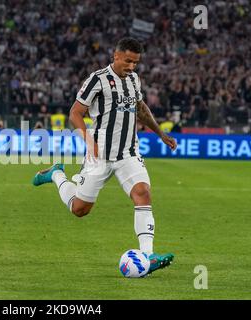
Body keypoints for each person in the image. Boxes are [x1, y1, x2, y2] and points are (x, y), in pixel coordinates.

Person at [32, 38, 177, 275]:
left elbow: (141, 109)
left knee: (142, 192)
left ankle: (148, 255)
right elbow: (75, 113)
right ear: (116, 56)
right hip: (99, 155)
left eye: (136, 62)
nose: (131, 66)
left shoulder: (134, 80)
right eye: (128, 61)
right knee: (80, 209)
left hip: (128, 152)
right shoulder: (97, 79)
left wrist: (161, 133)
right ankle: (56, 174)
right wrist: (90, 142)